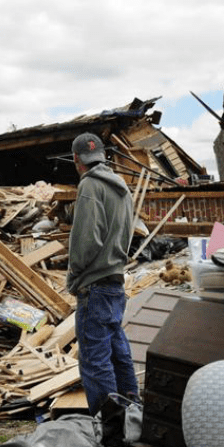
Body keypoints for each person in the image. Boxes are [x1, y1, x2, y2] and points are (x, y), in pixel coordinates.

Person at [66, 132, 140, 416]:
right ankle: (132, 415)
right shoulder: (121, 186)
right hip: (115, 284)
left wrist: (74, 275)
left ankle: (109, 425)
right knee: (119, 354)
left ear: (76, 159)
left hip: (94, 286)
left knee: (95, 362)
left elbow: (86, 241)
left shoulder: (90, 187)